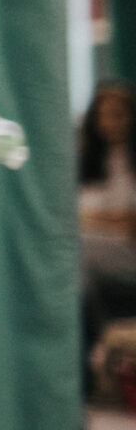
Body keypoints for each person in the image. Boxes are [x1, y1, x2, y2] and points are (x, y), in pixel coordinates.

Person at [76, 79, 136, 386]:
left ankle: (94, 361)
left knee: (80, 254)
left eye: (120, 114)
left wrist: (98, 220)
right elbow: (78, 219)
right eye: (106, 114)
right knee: (80, 267)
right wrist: (113, 221)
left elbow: (129, 225)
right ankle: (91, 364)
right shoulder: (85, 162)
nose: (113, 122)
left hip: (129, 257)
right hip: (96, 256)